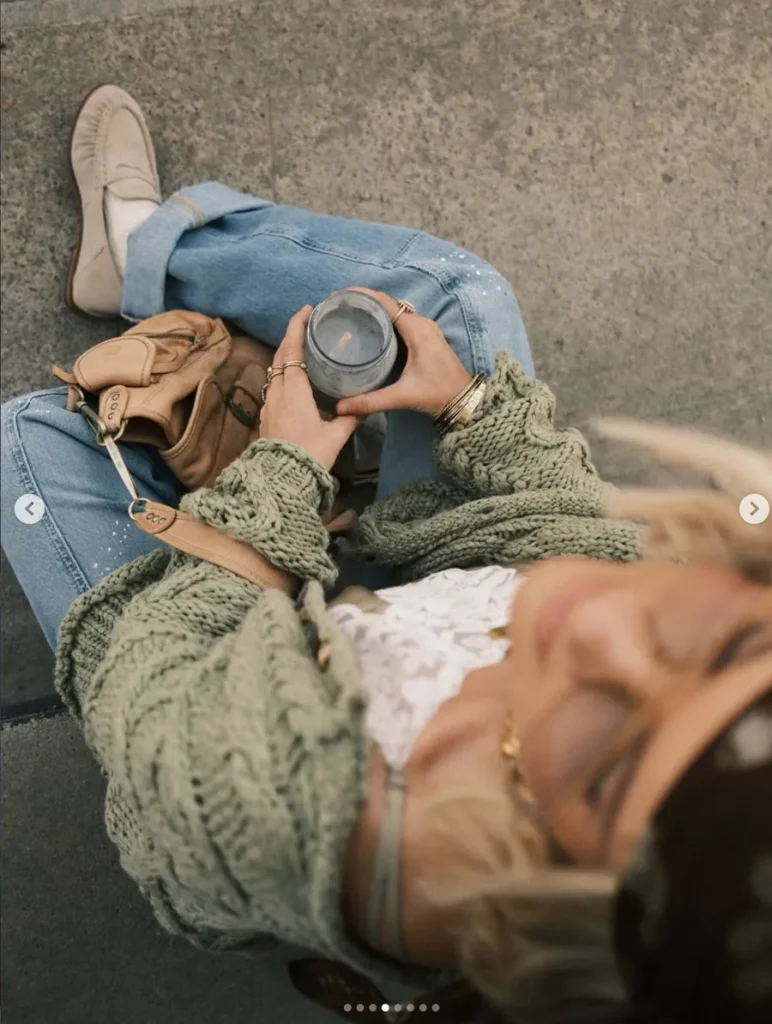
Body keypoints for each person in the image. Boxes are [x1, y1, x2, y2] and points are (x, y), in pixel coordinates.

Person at [1, 85, 770, 1024]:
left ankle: (291, 465)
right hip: (417, 583)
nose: (590, 618)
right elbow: (561, 534)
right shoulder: (635, 629)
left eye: (611, 770)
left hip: (192, 672)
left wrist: (282, 474)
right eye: (731, 645)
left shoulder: (334, 838)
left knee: (28, 449)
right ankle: (139, 256)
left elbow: (149, 670)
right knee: (456, 303)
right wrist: (465, 412)